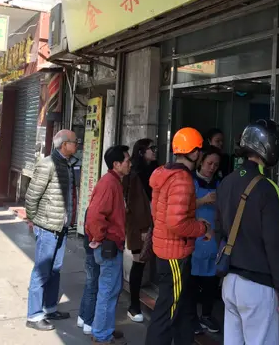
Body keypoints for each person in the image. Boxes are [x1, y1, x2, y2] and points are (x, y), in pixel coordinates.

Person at [216, 119, 279, 345]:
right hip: (257, 286)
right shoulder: (267, 188)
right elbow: (274, 244)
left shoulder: (227, 182)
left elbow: (220, 230)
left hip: (229, 282)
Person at [145, 127, 213, 345]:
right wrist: (201, 228)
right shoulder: (182, 179)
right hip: (174, 253)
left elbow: (160, 213)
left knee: (181, 306)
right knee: (168, 311)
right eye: (199, 150)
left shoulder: (165, 173)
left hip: (167, 248)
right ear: (194, 152)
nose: (200, 154)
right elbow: (176, 223)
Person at [24, 129, 78, 331]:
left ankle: (49, 308)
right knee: (42, 270)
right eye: (74, 142)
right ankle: (34, 315)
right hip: (47, 227)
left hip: (60, 226)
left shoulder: (67, 164)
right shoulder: (47, 164)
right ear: (64, 145)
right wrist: (33, 219)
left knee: (55, 269)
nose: (77, 145)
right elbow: (32, 196)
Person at [85, 145, 131, 344]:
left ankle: (104, 330)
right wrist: (98, 238)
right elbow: (95, 215)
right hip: (109, 246)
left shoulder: (114, 182)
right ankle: (102, 335)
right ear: (116, 164)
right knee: (107, 291)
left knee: (111, 290)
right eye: (127, 161)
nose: (130, 164)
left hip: (112, 244)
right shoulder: (109, 183)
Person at [124, 138, 157, 323]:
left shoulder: (156, 170)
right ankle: (134, 306)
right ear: (141, 151)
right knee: (138, 263)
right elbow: (133, 204)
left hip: (154, 223)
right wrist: (142, 227)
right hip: (139, 226)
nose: (154, 151)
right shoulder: (134, 174)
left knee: (144, 263)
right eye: (151, 148)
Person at [190, 146, 222, 335]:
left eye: (216, 165)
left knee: (211, 280)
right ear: (201, 161)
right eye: (209, 163)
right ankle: (192, 317)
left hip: (213, 238)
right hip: (195, 237)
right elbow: (182, 207)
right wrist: (203, 201)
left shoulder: (220, 183)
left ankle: (207, 315)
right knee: (193, 280)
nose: (212, 168)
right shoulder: (190, 181)